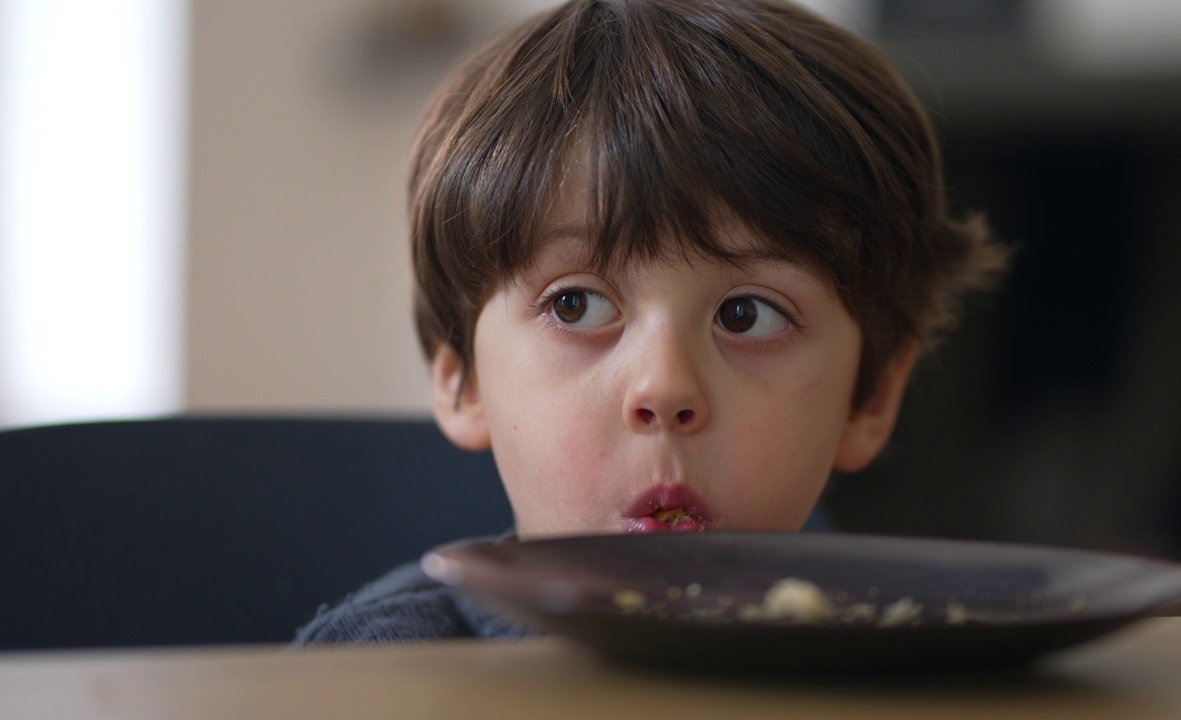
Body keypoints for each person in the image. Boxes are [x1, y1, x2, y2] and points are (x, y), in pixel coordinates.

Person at [296, 0, 1007, 644]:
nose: (665, 389)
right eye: (577, 305)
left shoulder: (902, 657)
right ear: (463, 380)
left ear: (871, 396)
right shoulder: (381, 672)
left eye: (747, 315)